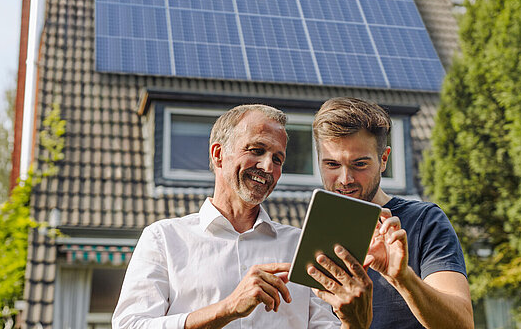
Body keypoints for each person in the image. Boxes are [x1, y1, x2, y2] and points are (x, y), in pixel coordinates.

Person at [112, 104, 370, 329]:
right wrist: (228, 309)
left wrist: (354, 321)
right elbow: (131, 325)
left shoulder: (301, 246)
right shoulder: (164, 239)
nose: (268, 166)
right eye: (256, 150)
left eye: (278, 159)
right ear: (218, 154)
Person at [309, 97, 473, 329]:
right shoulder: (311, 232)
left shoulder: (425, 221)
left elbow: (463, 324)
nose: (345, 180)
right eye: (332, 165)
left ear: (383, 159)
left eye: (360, 164)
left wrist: (402, 278)